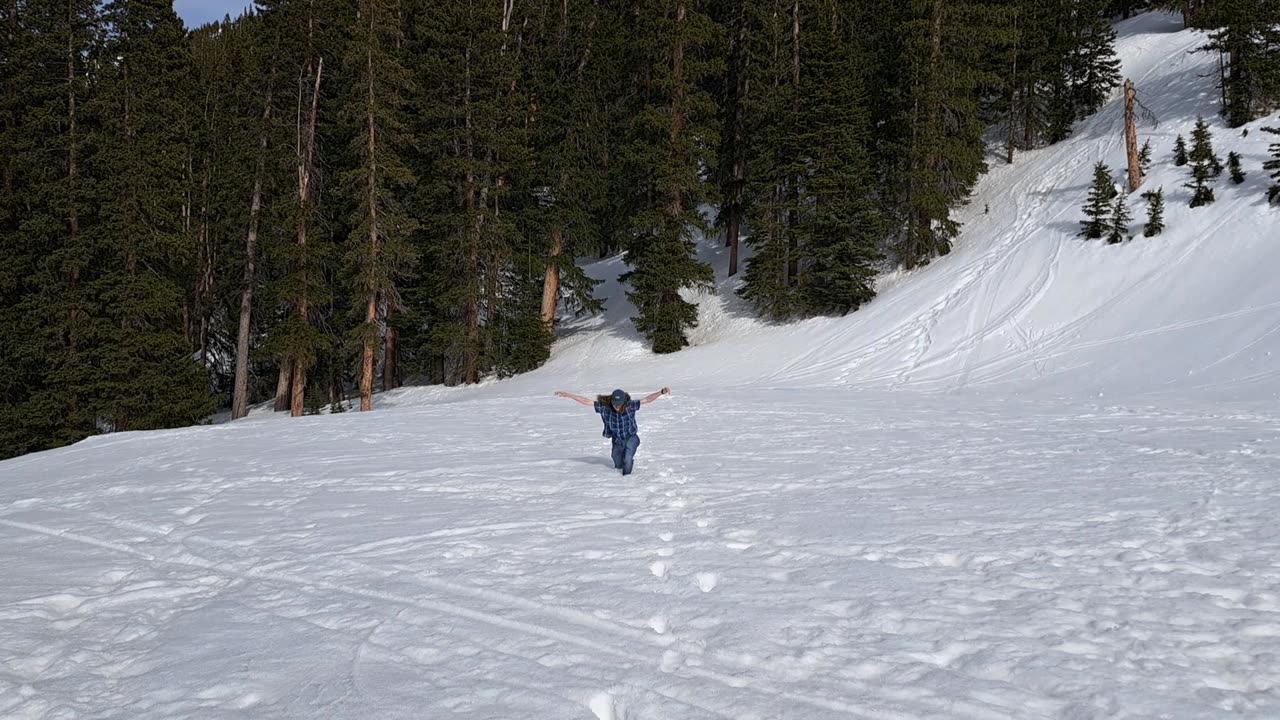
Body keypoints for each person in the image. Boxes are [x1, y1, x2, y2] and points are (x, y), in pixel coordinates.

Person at [555, 387, 671, 475]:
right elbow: (586, 401)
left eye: (619, 404)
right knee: (617, 462)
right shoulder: (605, 407)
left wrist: (661, 392)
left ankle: (627, 481)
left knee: (627, 458)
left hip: (631, 437)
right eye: (615, 404)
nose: (617, 407)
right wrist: (568, 395)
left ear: (624, 402)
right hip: (617, 439)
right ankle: (620, 474)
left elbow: (647, 399)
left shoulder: (630, 405)